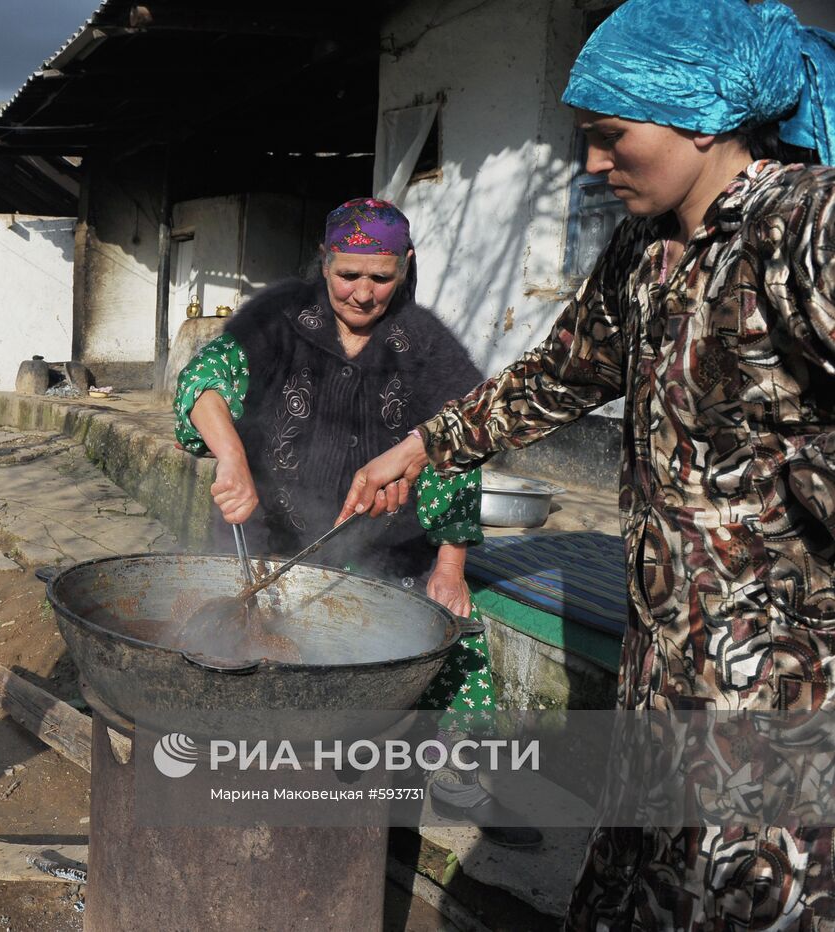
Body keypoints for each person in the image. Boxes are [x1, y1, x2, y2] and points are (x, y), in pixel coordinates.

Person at [337, 0, 835, 925]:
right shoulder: (647, 254)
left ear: (702, 116)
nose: (594, 164)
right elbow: (555, 377)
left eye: (612, 136)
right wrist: (418, 447)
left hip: (782, 679)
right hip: (668, 658)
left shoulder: (805, 226)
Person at [173, 197, 541, 847]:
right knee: (246, 658)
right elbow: (204, 380)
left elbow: (459, 446)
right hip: (269, 545)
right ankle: (254, 772)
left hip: (385, 551)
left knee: (451, 639)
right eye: (349, 274)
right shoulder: (277, 320)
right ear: (324, 262)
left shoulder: (423, 345)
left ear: (405, 268)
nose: (364, 293)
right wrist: (230, 456)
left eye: (381, 277)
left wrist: (451, 566)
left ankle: (453, 781)